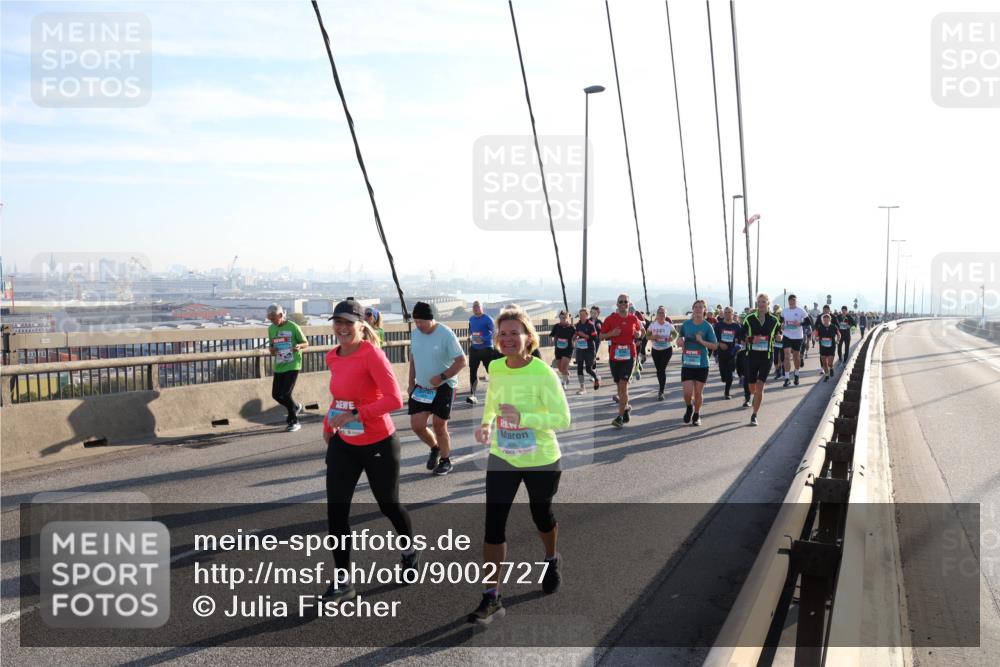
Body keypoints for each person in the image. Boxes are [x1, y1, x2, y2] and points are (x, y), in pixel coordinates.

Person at [469, 307, 570, 624]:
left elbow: (562, 419)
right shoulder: (496, 367)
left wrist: (524, 419)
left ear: (528, 337)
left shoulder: (543, 372)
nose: (509, 338)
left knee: (541, 514)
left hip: (540, 458)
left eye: (515, 333)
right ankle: (491, 596)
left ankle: (551, 558)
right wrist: (486, 423)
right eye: (503, 333)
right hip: (503, 455)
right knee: (493, 524)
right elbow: (492, 399)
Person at [321, 299, 418, 603]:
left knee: (388, 505)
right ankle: (344, 582)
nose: (342, 328)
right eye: (338, 322)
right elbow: (340, 398)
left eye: (349, 323)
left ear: (362, 325)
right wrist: (329, 424)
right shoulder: (332, 356)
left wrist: (357, 415)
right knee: (336, 513)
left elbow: (394, 400)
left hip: (379, 442)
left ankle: (409, 551)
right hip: (344, 444)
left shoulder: (372, 355)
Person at [408, 301, 468, 476]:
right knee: (417, 425)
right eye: (416, 321)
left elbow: (462, 361)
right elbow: (413, 359)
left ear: (431, 319)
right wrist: (411, 382)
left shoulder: (446, 334)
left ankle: (445, 460)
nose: (418, 325)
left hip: (444, 386)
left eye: (421, 322)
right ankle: (435, 447)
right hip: (422, 387)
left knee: (439, 425)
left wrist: (442, 377)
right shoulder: (415, 334)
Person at [602, 294, 644, 428]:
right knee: (619, 387)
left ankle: (620, 417)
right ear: (617, 304)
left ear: (629, 304)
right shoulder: (610, 319)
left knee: (623, 384)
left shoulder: (634, 318)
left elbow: (642, 331)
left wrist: (638, 334)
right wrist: (612, 334)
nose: (623, 304)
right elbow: (601, 336)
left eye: (625, 302)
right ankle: (625, 410)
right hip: (615, 355)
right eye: (620, 302)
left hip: (629, 355)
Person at [267, 303, 309, 432]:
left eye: (274, 318)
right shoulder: (271, 329)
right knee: (276, 395)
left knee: (286, 394)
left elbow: (306, 343)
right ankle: (295, 407)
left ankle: (294, 421)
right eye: (270, 318)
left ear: (281, 315)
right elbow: (272, 346)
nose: (272, 321)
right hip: (280, 365)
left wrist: (298, 347)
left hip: (293, 363)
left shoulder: (293, 327)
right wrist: (272, 350)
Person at [677, 300, 718, 426]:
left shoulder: (707, 326)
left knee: (698, 393)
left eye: (701, 307)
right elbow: (679, 337)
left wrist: (702, 341)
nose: (698, 309)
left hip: (702, 364)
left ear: (704, 310)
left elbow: (715, 346)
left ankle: (697, 414)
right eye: (696, 307)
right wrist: (680, 341)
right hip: (688, 363)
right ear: (693, 309)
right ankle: (689, 406)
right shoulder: (686, 324)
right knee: (687, 393)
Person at [743, 293, 781, 427]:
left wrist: (779, 337)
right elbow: (742, 336)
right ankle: (755, 396)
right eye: (759, 302)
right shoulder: (749, 318)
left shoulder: (774, 320)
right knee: (752, 387)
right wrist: (751, 339)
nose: (761, 304)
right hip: (752, 355)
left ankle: (754, 415)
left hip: (767, 356)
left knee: (760, 386)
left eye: (763, 302)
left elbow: (778, 332)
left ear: (768, 304)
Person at [467, 301, 497, 404]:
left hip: (487, 349)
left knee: (491, 371)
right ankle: (473, 395)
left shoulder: (488, 319)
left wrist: (483, 338)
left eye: (477, 307)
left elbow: (495, 332)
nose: (475, 308)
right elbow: (471, 331)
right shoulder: (471, 319)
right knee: (472, 372)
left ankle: (496, 394)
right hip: (475, 349)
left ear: (482, 308)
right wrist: (470, 337)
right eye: (474, 307)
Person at [647, 306, 677, 401]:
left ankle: (661, 391)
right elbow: (647, 336)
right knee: (659, 370)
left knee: (662, 369)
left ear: (665, 315)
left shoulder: (668, 325)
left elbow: (675, 334)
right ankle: (661, 388)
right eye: (659, 313)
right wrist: (653, 337)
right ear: (657, 314)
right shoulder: (653, 325)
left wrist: (672, 338)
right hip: (656, 350)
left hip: (666, 349)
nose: (661, 315)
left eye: (663, 313)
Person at [714, 306, 743, 400]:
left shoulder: (736, 326)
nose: (727, 314)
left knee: (730, 373)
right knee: (723, 375)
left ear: (732, 314)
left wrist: (738, 347)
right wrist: (720, 344)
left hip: (732, 353)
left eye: (729, 312)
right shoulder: (718, 325)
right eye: (726, 312)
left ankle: (727, 392)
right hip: (721, 352)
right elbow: (713, 339)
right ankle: (724, 379)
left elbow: (740, 340)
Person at [780, 294, 809, 387]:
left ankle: (796, 374)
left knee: (796, 357)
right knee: (787, 356)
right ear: (788, 301)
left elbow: (808, 322)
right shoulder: (784, 311)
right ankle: (787, 378)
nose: (792, 302)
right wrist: (782, 325)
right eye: (791, 301)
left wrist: (800, 323)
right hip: (787, 336)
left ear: (796, 301)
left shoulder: (801, 311)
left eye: (794, 301)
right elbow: (780, 321)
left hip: (797, 337)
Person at [573, 308, 600, 395]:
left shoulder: (590, 325)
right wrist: (574, 338)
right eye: (580, 314)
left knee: (588, 369)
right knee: (579, 368)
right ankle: (582, 387)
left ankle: (596, 378)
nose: (581, 316)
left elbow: (595, 338)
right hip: (580, 349)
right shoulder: (578, 325)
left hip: (589, 350)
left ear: (587, 315)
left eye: (582, 315)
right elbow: (576, 334)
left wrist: (584, 335)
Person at [549, 310, 576, 389]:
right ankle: (566, 374)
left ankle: (564, 383)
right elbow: (551, 335)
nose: (562, 320)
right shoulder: (556, 326)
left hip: (568, 349)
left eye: (564, 318)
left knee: (564, 367)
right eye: (561, 318)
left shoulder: (572, 327)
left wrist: (574, 341)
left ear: (568, 318)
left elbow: (576, 336)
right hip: (558, 349)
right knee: (560, 368)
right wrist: (552, 341)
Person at [814, 312, 841, 380]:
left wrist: (837, 340)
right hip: (822, 347)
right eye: (824, 320)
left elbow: (839, 334)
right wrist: (816, 338)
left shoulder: (833, 327)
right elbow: (816, 335)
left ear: (830, 320)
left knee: (830, 363)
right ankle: (826, 375)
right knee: (824, 363)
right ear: (823, 320)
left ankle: (831, 368)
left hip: (831, 347)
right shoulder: (820, 327)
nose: (826, 321)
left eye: (827, 319)